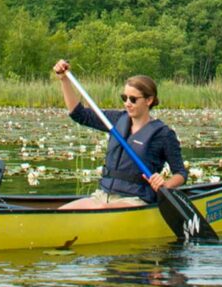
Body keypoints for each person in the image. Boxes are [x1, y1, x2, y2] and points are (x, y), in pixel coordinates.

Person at [52, 59, 189, 210]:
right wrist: (64, 79)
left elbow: (180, 173)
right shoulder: (116, 120)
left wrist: (165, 184)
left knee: (102, 210)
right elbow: (79, 114)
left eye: (133, 99)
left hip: (136, 199)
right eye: (124, 98)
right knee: (61, 211)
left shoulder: (163, 134)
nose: (127, 103)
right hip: (103, 195)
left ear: (149, 100)